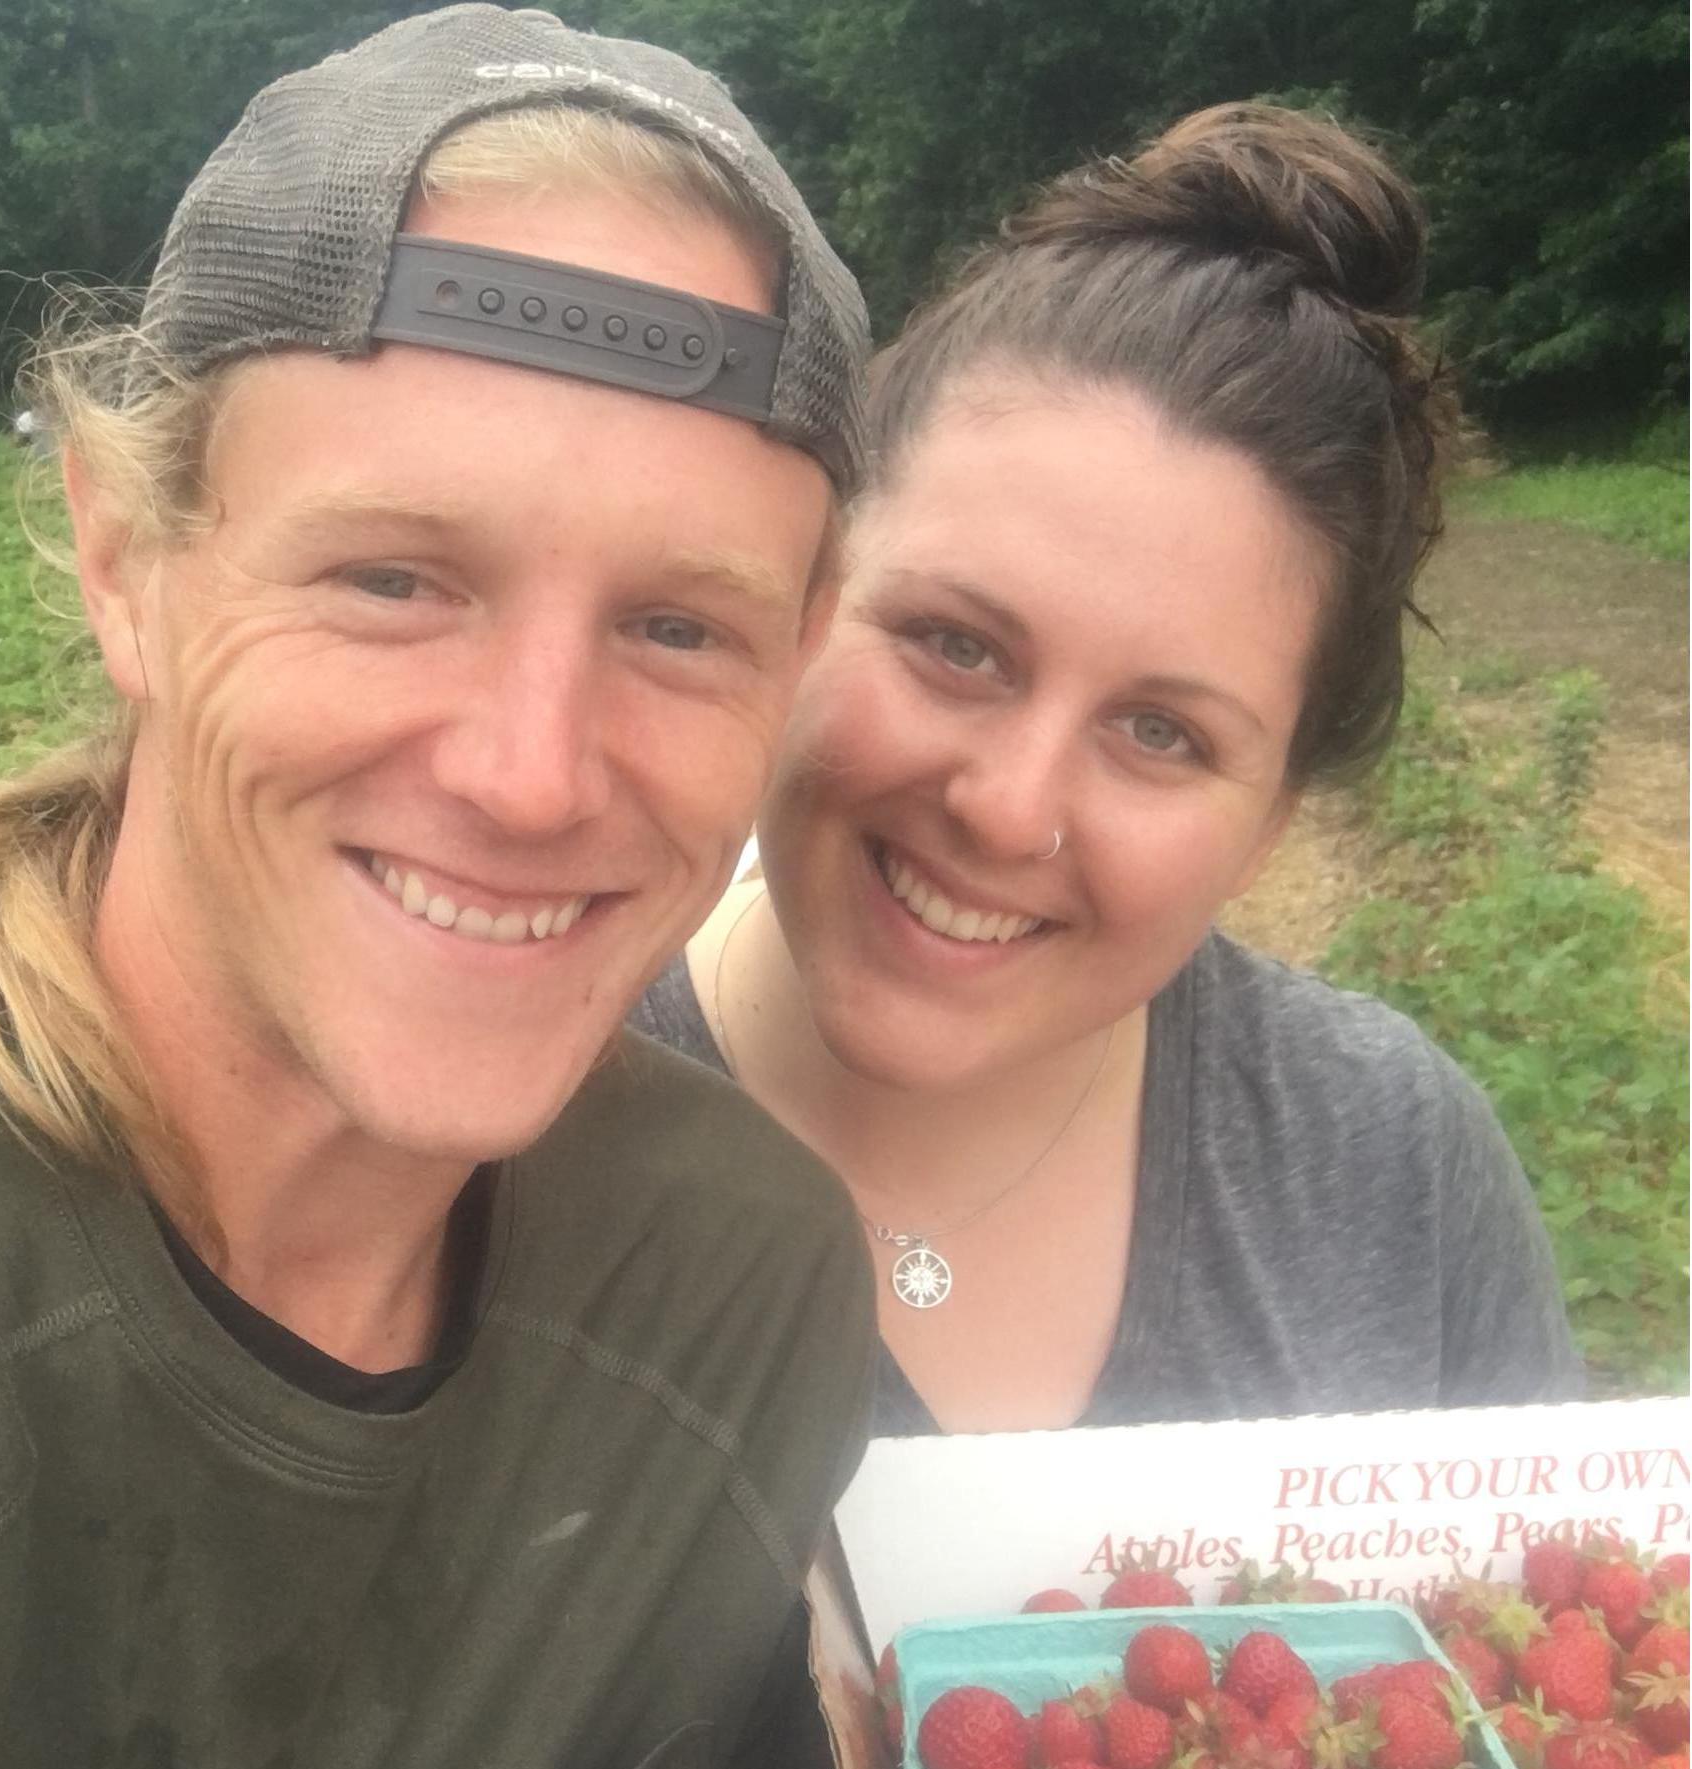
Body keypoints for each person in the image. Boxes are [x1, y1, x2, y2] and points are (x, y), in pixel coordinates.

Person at [0, 9, 877, 1769]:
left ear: (803, 647)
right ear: (126, 559)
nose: (531, 772)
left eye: (679, 627)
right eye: (394, 578)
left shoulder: (740, 1300)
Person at [636, 102, 1584, 1445]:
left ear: (1267, 827)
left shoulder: (1386, 1164)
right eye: (954, 645)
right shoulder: (499, 1131)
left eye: (1161, 733)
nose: (1008, 806)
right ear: (802, 594)